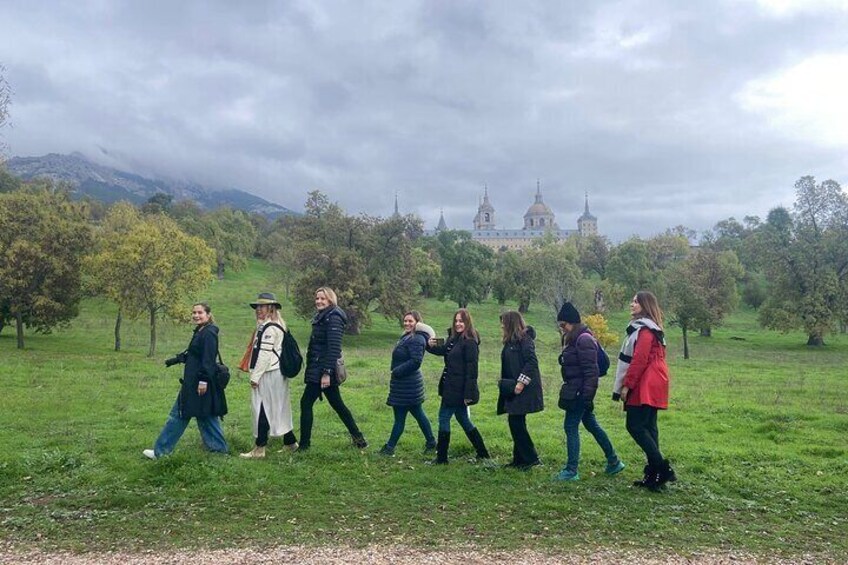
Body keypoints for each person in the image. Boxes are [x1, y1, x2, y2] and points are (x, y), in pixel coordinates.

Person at [143, 302, 228, 459]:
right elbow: (195, 354)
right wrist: (176, 360)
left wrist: (203, 381)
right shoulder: (201, 331)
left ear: (208, 315)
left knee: (179, 415)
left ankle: (160, 452)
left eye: (200, 312)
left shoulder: (208, 333)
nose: (196, 315)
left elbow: (208, 359)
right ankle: (219, 451)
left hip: (198, 383)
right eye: (194, 312)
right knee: (206, 415)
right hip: (195, 382)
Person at [612, 291, 675, 490]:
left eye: (635, 302)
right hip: (657, 379)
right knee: (649, 427)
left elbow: (639, 360)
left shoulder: (645, 331)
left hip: (647, 380)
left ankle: (662, 469)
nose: (632, 305)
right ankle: (655, 477)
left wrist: (627, 385)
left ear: (645, 305)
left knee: (635, 425)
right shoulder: (652, 329)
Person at [555, 302, 624, 481]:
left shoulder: (583, 339)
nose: (562, 329)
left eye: (563, 325)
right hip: (576, 390)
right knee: (591, 424)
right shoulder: (574, 338)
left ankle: (571, 470)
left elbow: (591, 372)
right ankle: (613, 461)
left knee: (570, 427)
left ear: (572, 323)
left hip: (579, 393)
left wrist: (587, 397)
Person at [299, 287, 367, 450]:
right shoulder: (323, 316)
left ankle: (304, 445)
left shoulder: (334, 317)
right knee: (338, 404)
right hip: (318, 367)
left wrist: (326, 373)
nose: (319, 301)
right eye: (317, 298)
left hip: (323, 369)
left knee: (306, 403)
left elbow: (334, 348)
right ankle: (359, 440)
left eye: (323, 298)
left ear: (331, 300)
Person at [426, 308, 490, 464]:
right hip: (450, 386)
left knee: (443, 417)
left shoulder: (470, 342)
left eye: (461, 321)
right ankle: (483, 453)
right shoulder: (454, 339)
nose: (458, 324)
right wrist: (428, 344)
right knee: (463, 419)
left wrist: (469, 394)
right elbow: (443, 349)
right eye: (456, 321)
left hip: (458, 389)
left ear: (467, 322)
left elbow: (472, 371)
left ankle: (442, 458)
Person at [240, 293, 299, 459]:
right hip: (276, 373)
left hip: (269, 373)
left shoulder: (269, 328)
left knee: (262, 408)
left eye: (263, 306)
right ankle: (290, 443)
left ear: (271, 308)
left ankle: (259, 448)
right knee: (279, 407)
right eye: (257, 307)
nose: (259, 310)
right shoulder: (274, 325)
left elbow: (265, 356)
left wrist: (255, 377)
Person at [379, 311, 437, 456]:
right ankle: (431, 442)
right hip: (405, 385)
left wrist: (397, 371)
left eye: (410, 321)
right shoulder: (407, 336)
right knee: (418, 413)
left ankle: (389, 448)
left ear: (418, 323)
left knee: (400, 417)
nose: (407, 323)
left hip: (407, 384)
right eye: (405, 321)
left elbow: (416, 361)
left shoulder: (417, 339)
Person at [497, 311, 544, 470]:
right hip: (512, 387)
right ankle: (519, 460)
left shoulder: (525, 340)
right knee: (517, 421)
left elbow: (531, 362)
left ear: (511, 323)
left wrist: (521, 382)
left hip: (523, 389)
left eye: (504, 322)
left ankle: (531, 458)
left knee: (515, 422)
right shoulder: (511, 341)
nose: (501, 325)